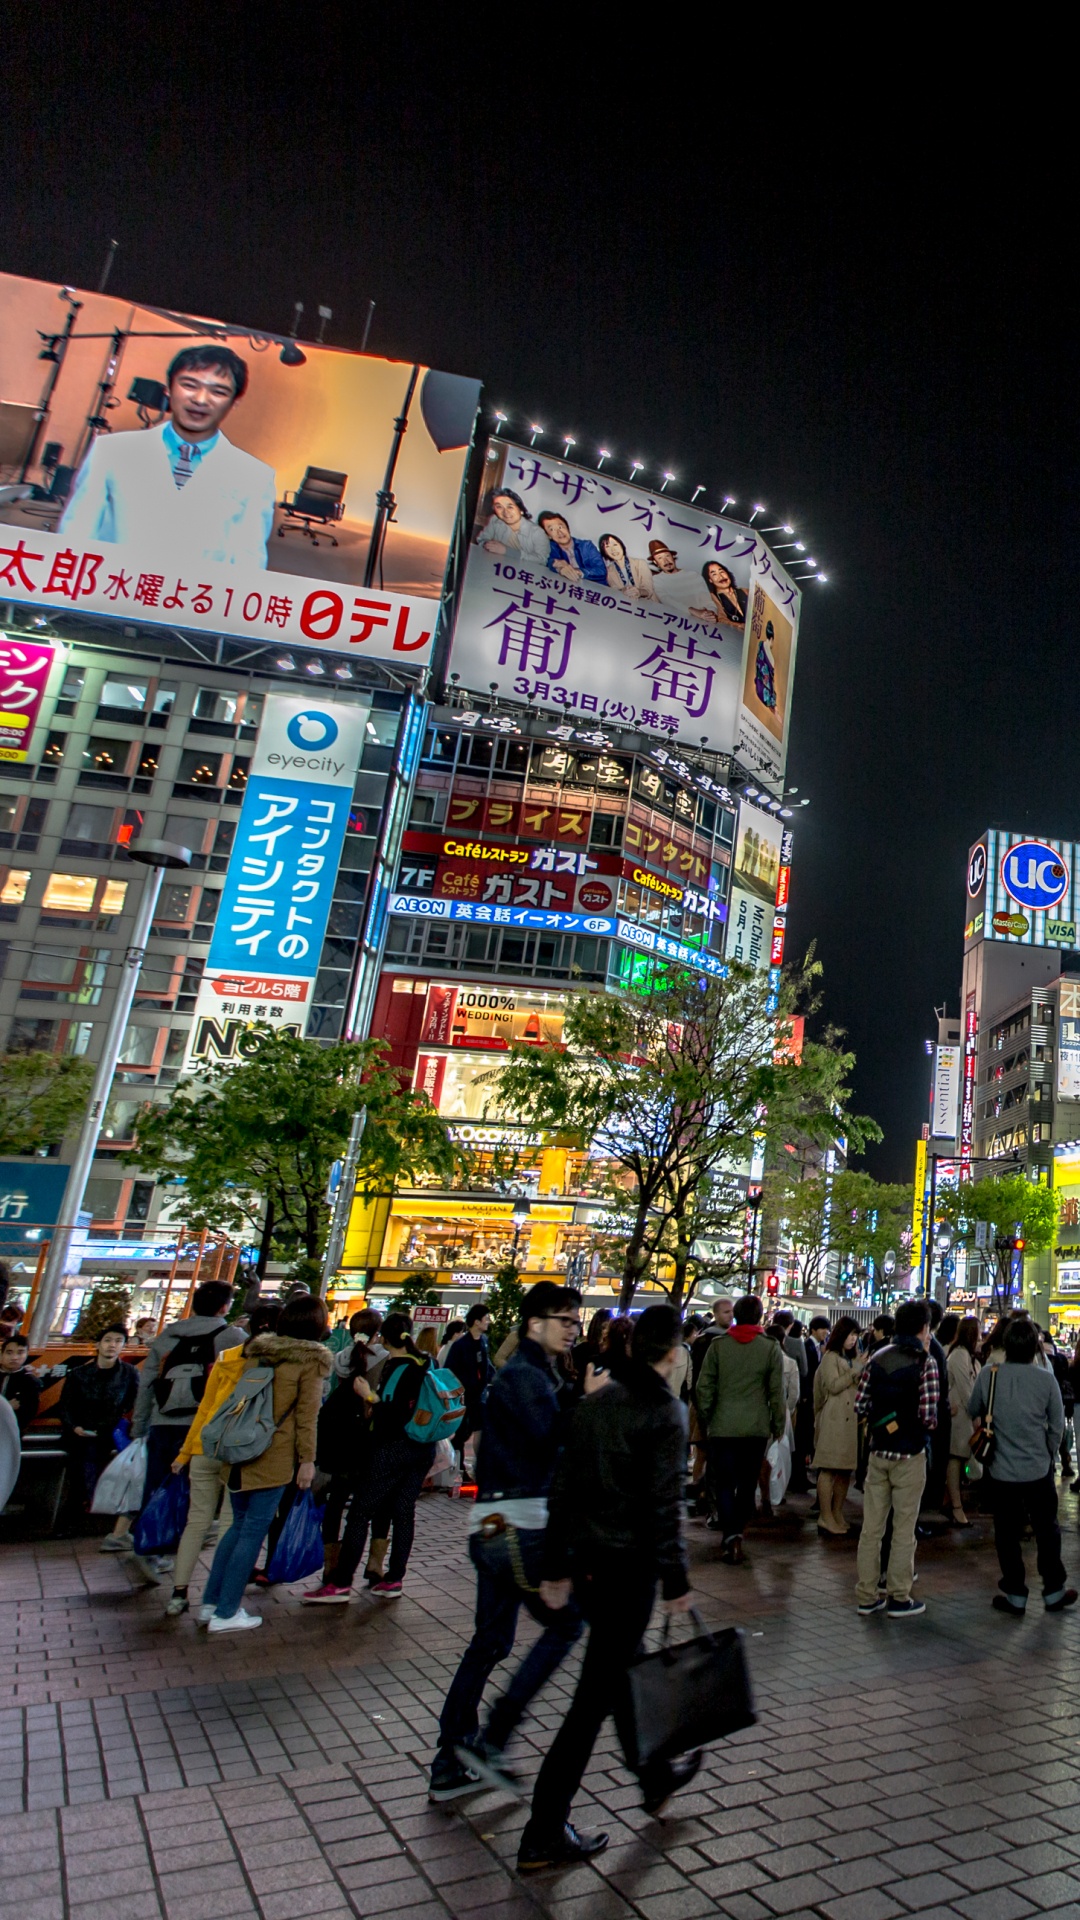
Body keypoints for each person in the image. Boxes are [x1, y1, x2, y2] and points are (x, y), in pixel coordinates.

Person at [516, 1306, 696, 1873]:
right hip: (629, 1570)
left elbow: (564, 1487)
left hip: (590, 1565)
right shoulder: (666, 1412)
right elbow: (665, 1504)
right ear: (672, 1353)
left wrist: (555, 1565)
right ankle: (543, 1831)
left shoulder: (598, 1403)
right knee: (591, 1701)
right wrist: (676, 1579)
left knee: (619, 1672)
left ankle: (655, 1774)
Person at [429, 1281, 585, 1801]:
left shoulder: (530, 1374)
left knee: (491, 1641)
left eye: (574, 1321)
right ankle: (490, 1740)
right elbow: (556, 1447)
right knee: (564, 1625)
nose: (572, 1329)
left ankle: (451, 1759)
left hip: (493, 1526)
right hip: (519, 1527)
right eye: (564, 1320)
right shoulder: (527, 1377)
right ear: (534, 1323)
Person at [60, 345, 277, 568]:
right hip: (111, 589)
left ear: (235, 402)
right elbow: (77, 530)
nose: (201, 400)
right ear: (169, 390)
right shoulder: (112, 450)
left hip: (195, 597)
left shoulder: (255, 477)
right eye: (190, 385)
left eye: (218, 392)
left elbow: (248, 560)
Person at [198, 1293, 331, 1633]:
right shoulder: (310, 1362)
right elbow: (307, 1418)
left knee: (237, 1527)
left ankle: (211, 1603)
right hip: (272, 1456)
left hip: (238, 1449)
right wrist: (307, 1461)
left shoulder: (260, 1354)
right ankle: (226, 1613)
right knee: (252, 1532)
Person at [303, 1313, 437, 1602]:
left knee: (360, 1512)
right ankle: (394, 1579)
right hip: (423, 1449)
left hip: (392, 1448)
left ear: (385, 1338)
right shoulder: (426, 1363)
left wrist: (369, 1396)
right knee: (403, 1512)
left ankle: (340, 1582)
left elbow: (393, 1412)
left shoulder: (397, 1367)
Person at [161, 1302, 281, 1617]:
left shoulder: (227, 1358)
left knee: (196, 1521)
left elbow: (205, 1408)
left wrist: (185, 1451)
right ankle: (215, 1599)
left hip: (205, 1445)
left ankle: (178, 1593)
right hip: (240, 1451)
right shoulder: (275, 1363)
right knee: (231, 1525)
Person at [968, 1316, 1077, 1614]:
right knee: (1047, 1529)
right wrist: (1047, 1452)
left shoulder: (989, 1375)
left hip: (1001, 1470)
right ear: (1034, 1347)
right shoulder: (1046, 1379)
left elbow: (972, 1408)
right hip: (1038, 1469)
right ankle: (1053, 1590)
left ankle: (1015, 1594)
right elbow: (1058, 1426)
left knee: (1006, 1531)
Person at [130, 1280, 246, 1523]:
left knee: (157, 1483)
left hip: (161, 1421)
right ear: (224, 1308)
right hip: (203, 1426)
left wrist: (140, 1425)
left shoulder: (167, 1336)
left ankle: (149, 1539)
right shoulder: (233, 1338)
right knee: (195, 1490)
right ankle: (180, 1540)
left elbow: (147, 1384)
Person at [854, 1299, 938, 1618]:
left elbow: (860, 1405)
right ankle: (899, 1596)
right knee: (904, 1528)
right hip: (910, 1454)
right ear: (923, 1328)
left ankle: (866, 1594)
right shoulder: (924, 1363)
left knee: (872, 1527)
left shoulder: (877, 1357)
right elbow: (929, 1416)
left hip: (878, 1452)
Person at [695, 1295, 785, 1564]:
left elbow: (704, 1386)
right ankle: (737, 1534)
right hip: (756, 1427)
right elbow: (776, 1393)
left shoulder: (719, 1346)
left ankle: (729, 1535)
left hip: (722, 1425)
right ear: (760, 1317)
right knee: (747, 1484)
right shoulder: (769, 1348)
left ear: (736, 1315)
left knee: (724, 1482)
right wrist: (777, 1424)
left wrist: (707, 1416)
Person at [58, 1326, 139, 1524]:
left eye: (118, 1341)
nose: (113, 1345)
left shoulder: (129, 1374)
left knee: (100, 1455)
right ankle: (79, 1510)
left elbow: (132, 1403)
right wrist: (74, 1427)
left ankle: (88, 1509)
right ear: (97, 1344)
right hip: (78, 1432)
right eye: (108, 1340)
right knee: (82, 1456)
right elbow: (66, 1405)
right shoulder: (79, 1373)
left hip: (110, 1432)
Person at [812, 1317, 865, 1537]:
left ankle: (837, 1512)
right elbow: (832, 1386)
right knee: (829, 1467)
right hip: (834, 1418)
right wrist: (855, 1372)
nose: (853, 1340)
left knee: (845, 1469)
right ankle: (825, 1515)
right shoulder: (830, 1358)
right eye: (850, 1335)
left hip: (851, 1418)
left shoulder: (852, 1359)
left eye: (856, 1335)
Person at [445, 1304, 494, 1472]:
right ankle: (456, 1466)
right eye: (485, 1319)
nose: (488, 1322)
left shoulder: (483, 1342)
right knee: (462, 1433)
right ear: (476, 1322)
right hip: (464, 1396)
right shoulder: (461, 1345)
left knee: (481, 1429)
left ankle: (479, 1466)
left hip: (478, 1396)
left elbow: (486, 1366)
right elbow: (450, 1370)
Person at [945, 1316, 982, 1526]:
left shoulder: (967, 1356)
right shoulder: (960, 1355)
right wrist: (977, 1414)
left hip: (963, 1416)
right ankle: (956, 1507)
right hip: (959, 1417)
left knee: (959, 1460)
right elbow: (967, 1389)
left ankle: (953, 1503)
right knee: (956, 1459)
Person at [475, 488, 550, 560]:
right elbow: (481, 539)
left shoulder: (537, 532)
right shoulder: (494, 520)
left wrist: (506, 551)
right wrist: (487, 545)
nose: (505, 512)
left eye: (510, 507)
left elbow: (542, 560)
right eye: (499, 507)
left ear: (521, 510)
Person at [537, 511, 607, 584]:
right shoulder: (550, 547)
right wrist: (557, 566)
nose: (559, 532)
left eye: (560, 527)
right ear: (548, 535)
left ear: (568, 528)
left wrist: (579, 572)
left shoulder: (586, 546)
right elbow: (548, 560)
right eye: (552, 529)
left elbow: (601, 571)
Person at [598, 533, 659, 600]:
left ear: (621, 545)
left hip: (650, 606)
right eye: (607, 547)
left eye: (615, 545)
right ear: (604, 551)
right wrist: (622, 591)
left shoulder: (640, 563)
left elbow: (648, 589)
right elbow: (613, 592)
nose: (613, 550)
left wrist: (639, 592)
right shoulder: (608, 571)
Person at [0, 1333, 40, 1432]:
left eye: (20, 1353)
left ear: (27, 1355)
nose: (14, 1357)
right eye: (9, 1352)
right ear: (1, 1354)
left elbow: (28, 1414)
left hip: (11, 1431)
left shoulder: (31, 1382)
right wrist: (6, 1406)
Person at [700, 560, 747, 626]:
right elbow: (721, 619)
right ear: (710, 580)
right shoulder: (712, 597)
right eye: (714, 574)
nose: (721, 577)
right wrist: (738, 625)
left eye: (721, 572)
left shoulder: (745, 591)